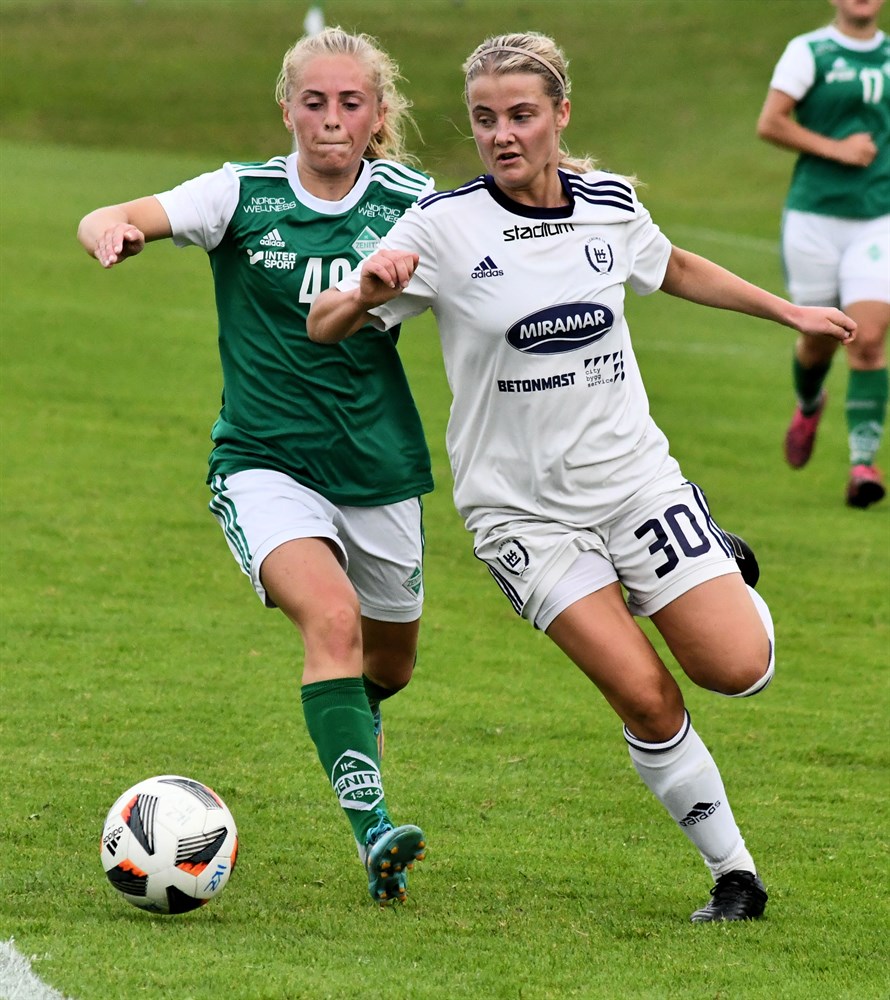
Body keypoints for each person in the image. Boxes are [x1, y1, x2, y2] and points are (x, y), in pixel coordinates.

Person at [308, 31, 857, 922]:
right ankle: (736, 875)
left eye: (522, 115)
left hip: (634, 485)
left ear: (561, 114)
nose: (502, 135)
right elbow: (323, 322)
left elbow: (672, 265)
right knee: (644, 694)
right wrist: (366, 291)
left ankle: (718, 558)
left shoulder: (608, 204)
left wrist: (786, 310)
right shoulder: (442, 227)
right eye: (485, 119)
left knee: (738, 668)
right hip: (522, 517)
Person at [77, 27, 434, 906]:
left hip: (379, 468)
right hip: (263, 463)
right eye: (314, 102)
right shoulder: (241, 194)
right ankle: (374, 832)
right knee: (333, 624)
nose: (331, 118)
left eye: (350, 103)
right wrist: (113, 228)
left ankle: (352, 716)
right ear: (286, 110)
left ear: (377, 115)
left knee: (389, 666)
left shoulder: (416, 204)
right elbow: (113, 213)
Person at [756, 0, 889, 507]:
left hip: (878, 218)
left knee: (868, 338)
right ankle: (810, 403)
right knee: (817, 342)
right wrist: (838, 149)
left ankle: (863, 465)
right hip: (814, 219)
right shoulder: (809, 51)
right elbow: (771, 122)